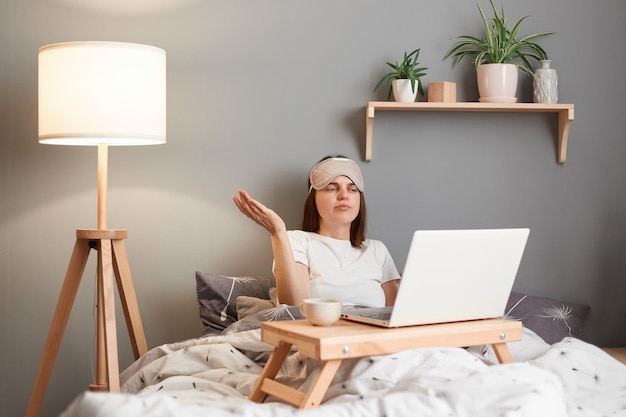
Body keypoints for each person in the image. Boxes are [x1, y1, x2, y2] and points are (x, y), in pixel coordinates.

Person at [232, 155, 400, 307]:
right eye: (332, 188)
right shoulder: (297, 241)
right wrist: (278, 233)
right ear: (313, 199)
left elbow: (394, 315)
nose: (344, 195)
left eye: (352, 189)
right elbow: (294, 307)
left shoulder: (378, 250)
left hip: (373, 338)